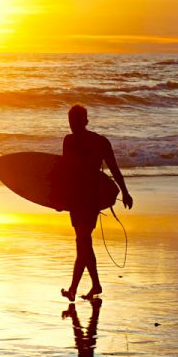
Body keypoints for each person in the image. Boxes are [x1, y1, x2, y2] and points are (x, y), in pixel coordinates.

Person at [59, 104, 133, 301]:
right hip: (75, 199)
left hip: (91, 198)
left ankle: (73, 288)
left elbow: (114, 168)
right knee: (83, 243)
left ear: (86, 121)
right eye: (70, 121)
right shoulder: (68, 141)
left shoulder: (100, 143)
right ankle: (96, 284)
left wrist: (125, 192)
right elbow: (65, 173)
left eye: (76, 121)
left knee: (83, 240)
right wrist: (58, 199)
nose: (73, 125)